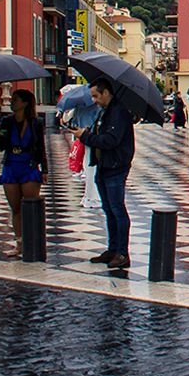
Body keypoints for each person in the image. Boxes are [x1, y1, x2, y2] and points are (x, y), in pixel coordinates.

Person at [69, 78, 135, 270]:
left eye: (96, 96)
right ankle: (113, 248)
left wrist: (86, 136)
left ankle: (122, 253)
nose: (94, 100)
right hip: (104, 166)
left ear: (106, 92)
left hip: (115, 166)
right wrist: (91, 132)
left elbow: (110, 140)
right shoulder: (106, 112)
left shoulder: (119, 112)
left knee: (117, 209)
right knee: (109, 209)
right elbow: (103, 136)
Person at [0, 90, 48, 257]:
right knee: (15, 208)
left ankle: (33, 241)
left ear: (25, 103)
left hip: (29, 165)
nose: (12, 102)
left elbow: (41, 147)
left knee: (31, 207)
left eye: (15, 100)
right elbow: (2, 146)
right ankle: (19, 243)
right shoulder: (7, 121)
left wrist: (45, 169)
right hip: (11, 165)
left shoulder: (36, 122)